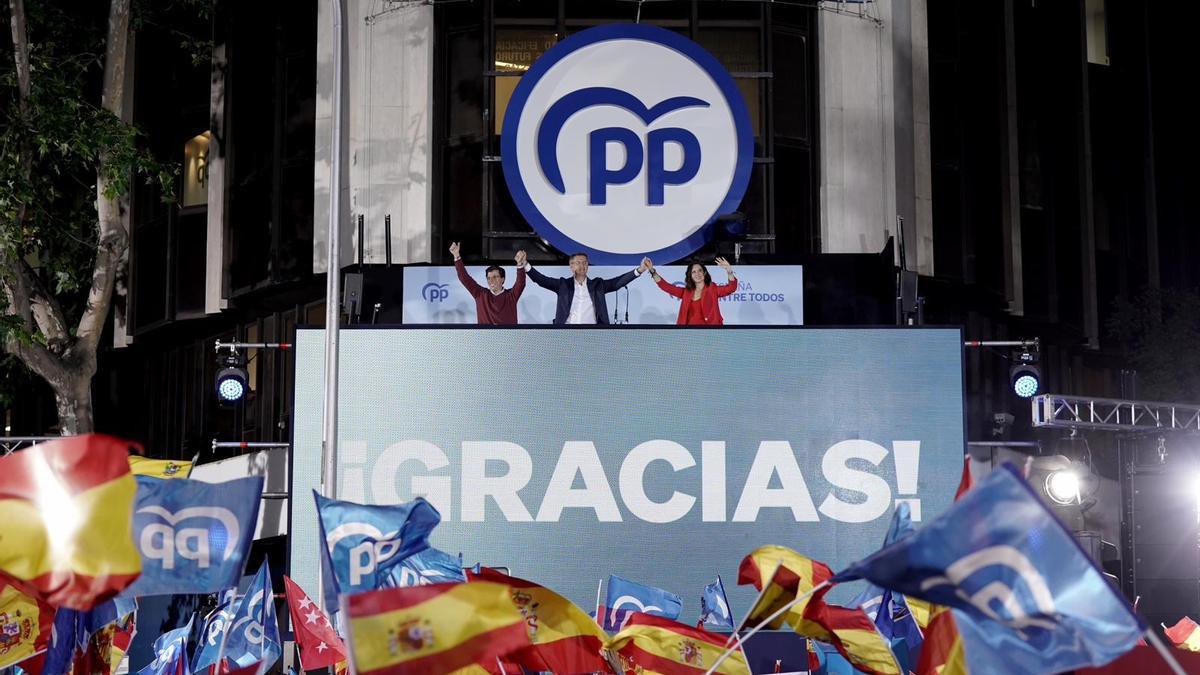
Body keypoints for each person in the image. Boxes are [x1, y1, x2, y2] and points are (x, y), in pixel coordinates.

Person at [519, 251, 648, 325]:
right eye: (578, 263)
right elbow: (541, 280)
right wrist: (525, 264)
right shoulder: (563, 285)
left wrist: (640, 270)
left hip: (593, 334)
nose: (582, 266)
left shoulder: (598, 285)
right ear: (571, 266)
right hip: (566, 333)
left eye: (585, 263)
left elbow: (617, 283)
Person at [644, 256, 737, 325]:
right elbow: (666, 286)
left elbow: (731, 288)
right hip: (687, 334)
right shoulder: (686, 292)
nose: (697, 274)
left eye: (700, 270)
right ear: (690, 276)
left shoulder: (713, 288)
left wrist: (729, 270)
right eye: (694, 272)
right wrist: (652, 270)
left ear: (704, 272)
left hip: (711, 332)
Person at [450, 242, 525, 325]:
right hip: (485, 337)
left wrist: (520, 264)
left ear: (502, 279)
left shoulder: (511, 296)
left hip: (509, 337)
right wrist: (456, 256)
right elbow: (464, 278)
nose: (491, 281)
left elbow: (520, 283)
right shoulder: (480, 294)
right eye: (488, 278)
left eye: (495, 277)